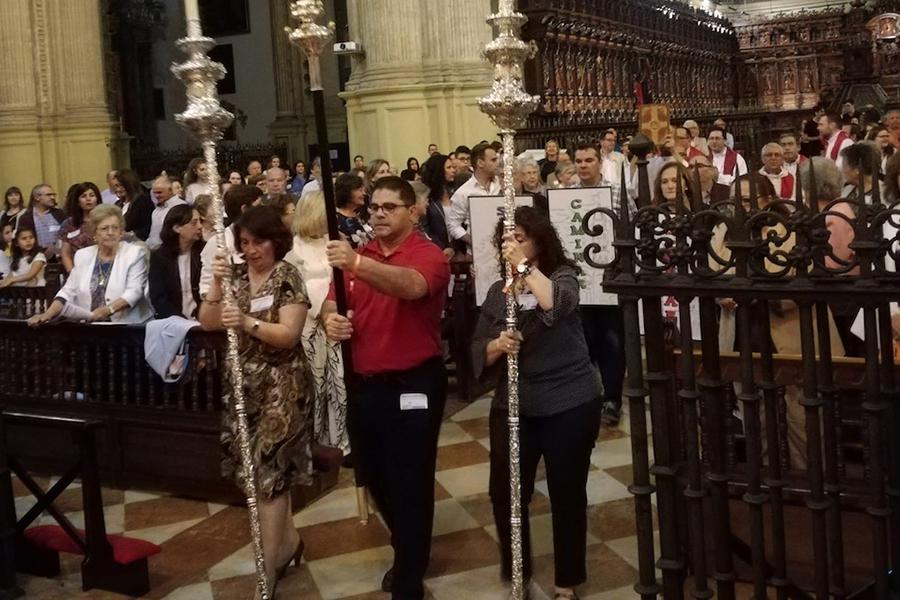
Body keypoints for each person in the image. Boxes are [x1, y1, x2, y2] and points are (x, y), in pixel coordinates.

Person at [323, 176, 450, 600]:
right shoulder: (362, 253)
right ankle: (409, 542)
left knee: (410, 479)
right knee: (373, 475)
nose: (378, 213)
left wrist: (357, 267)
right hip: (366, 383)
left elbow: (411, 286)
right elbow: (332, 300)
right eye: (373, 207)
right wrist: (331, 320)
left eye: (389, 207)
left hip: (414, 383)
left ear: (412, 211)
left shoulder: (427, 255)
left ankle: (410, 573)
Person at [473, 206, 600, 600]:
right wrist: (496, 345)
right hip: (514, 404)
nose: (510, 245)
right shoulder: (498, 292)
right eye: (505, 240)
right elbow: (477, 348)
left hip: (568, 399)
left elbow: (556, 304)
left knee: (566, 492)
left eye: (520, 238)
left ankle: (566, 581)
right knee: (506, 492)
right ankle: (518, 572)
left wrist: (525, 269)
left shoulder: (563, 276)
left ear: (539, 242)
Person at [199, 205, 312, 599]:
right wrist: (216, 285)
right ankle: (289, 542)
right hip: (244, 388)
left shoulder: (286, 276)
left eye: (258, 241)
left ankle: (268, 566)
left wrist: (247, 322)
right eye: (244, 243)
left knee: (269, 475)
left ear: (274, 240)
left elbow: (289, 334)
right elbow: (209, 322)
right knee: (256, 473)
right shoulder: (234, 278)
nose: (251, 250)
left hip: (283, 386)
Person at [284, 192, 350, 455]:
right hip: (309, 327)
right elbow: (293, 288)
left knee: (340, 383)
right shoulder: (293, 249)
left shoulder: (334, 241)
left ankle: (341, 442)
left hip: (335, 321)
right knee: (317, 383)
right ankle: (317, 442)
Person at [573, 142, 628, 426]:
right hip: (579, 279)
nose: (583, 165)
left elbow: (628, 229)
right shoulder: (566, 194)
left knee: (612, 340)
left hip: (610, 276)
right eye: (579, 160)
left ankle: (613, 397)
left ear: (599, 162)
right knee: (583, 339)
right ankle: (587, 395)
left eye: (589, 160)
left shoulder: (616, 190)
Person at [27, 204, 153, 325]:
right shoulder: (83, 255)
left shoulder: (135, 253)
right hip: (91, 325)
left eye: (115, 228)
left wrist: (108, 310)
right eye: (104, 228)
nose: (111, 232)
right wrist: (47, 314)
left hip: (127, 326)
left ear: (121, 232)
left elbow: (135, 291)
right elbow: (68, 291)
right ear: (94, 234)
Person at [199, 184, 265, 296]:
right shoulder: (217, 243)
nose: (264, 210)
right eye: (259, 206)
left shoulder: (267, 238)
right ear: (244, 209)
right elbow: (206, 289)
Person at [149, 205, 204, 319]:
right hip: (173, 321)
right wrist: (180, 321)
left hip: (202, 319)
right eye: (194, 223)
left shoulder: (204, 252)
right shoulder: (159, 257)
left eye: (200, 221)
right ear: (177, 228)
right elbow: (159, 298)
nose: (200, 226)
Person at [447, 141, 501, 247]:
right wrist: (473, 241)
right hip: (478, 252)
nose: (497, 163)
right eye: (493, 160)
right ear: (480, 163)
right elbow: (453, 225)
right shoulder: (463, 192)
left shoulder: (501, 185)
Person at [419, 153, 456, 256]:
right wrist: (442, 248)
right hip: (437, 250)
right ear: (439, 171)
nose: (453, 170)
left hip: (457, 249)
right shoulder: (427, 197)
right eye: (449, 167)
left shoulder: (455, 193)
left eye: (453, 167)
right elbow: (424, 228)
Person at [60, 182, 101, 273]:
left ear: (97, 199)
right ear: (78, 202)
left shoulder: (105, 220)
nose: (88, 199)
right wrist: (72, 272)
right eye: (83, 196)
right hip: (77, 269)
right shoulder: (69, 223)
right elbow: (65, 252)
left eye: (92, 195)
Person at [18, 184, 65, 255]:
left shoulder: (60, 214)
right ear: (37, 197)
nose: (52, 197)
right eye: (48, 195)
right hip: (36, 258)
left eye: (53, 195)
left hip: (60, 258)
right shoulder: (26, 218)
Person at [147, 176, 188, 250]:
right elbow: (153, 236)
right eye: (154, 193)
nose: (157, 196)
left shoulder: (181, 207)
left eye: (159, 192)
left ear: (170, 190)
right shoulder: (155, 211)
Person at [113, 169, 154, 242]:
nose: (118, 189)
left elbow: (147, 228)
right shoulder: (117, 204)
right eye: (116, 186)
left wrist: (129, 234)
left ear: (130, 184)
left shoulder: (143, 201)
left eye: (122, 185)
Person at [334, 173, 372, 248]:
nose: (364, 193)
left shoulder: (364, 213)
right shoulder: (337, 220)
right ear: (347, 193)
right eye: (360, 190)